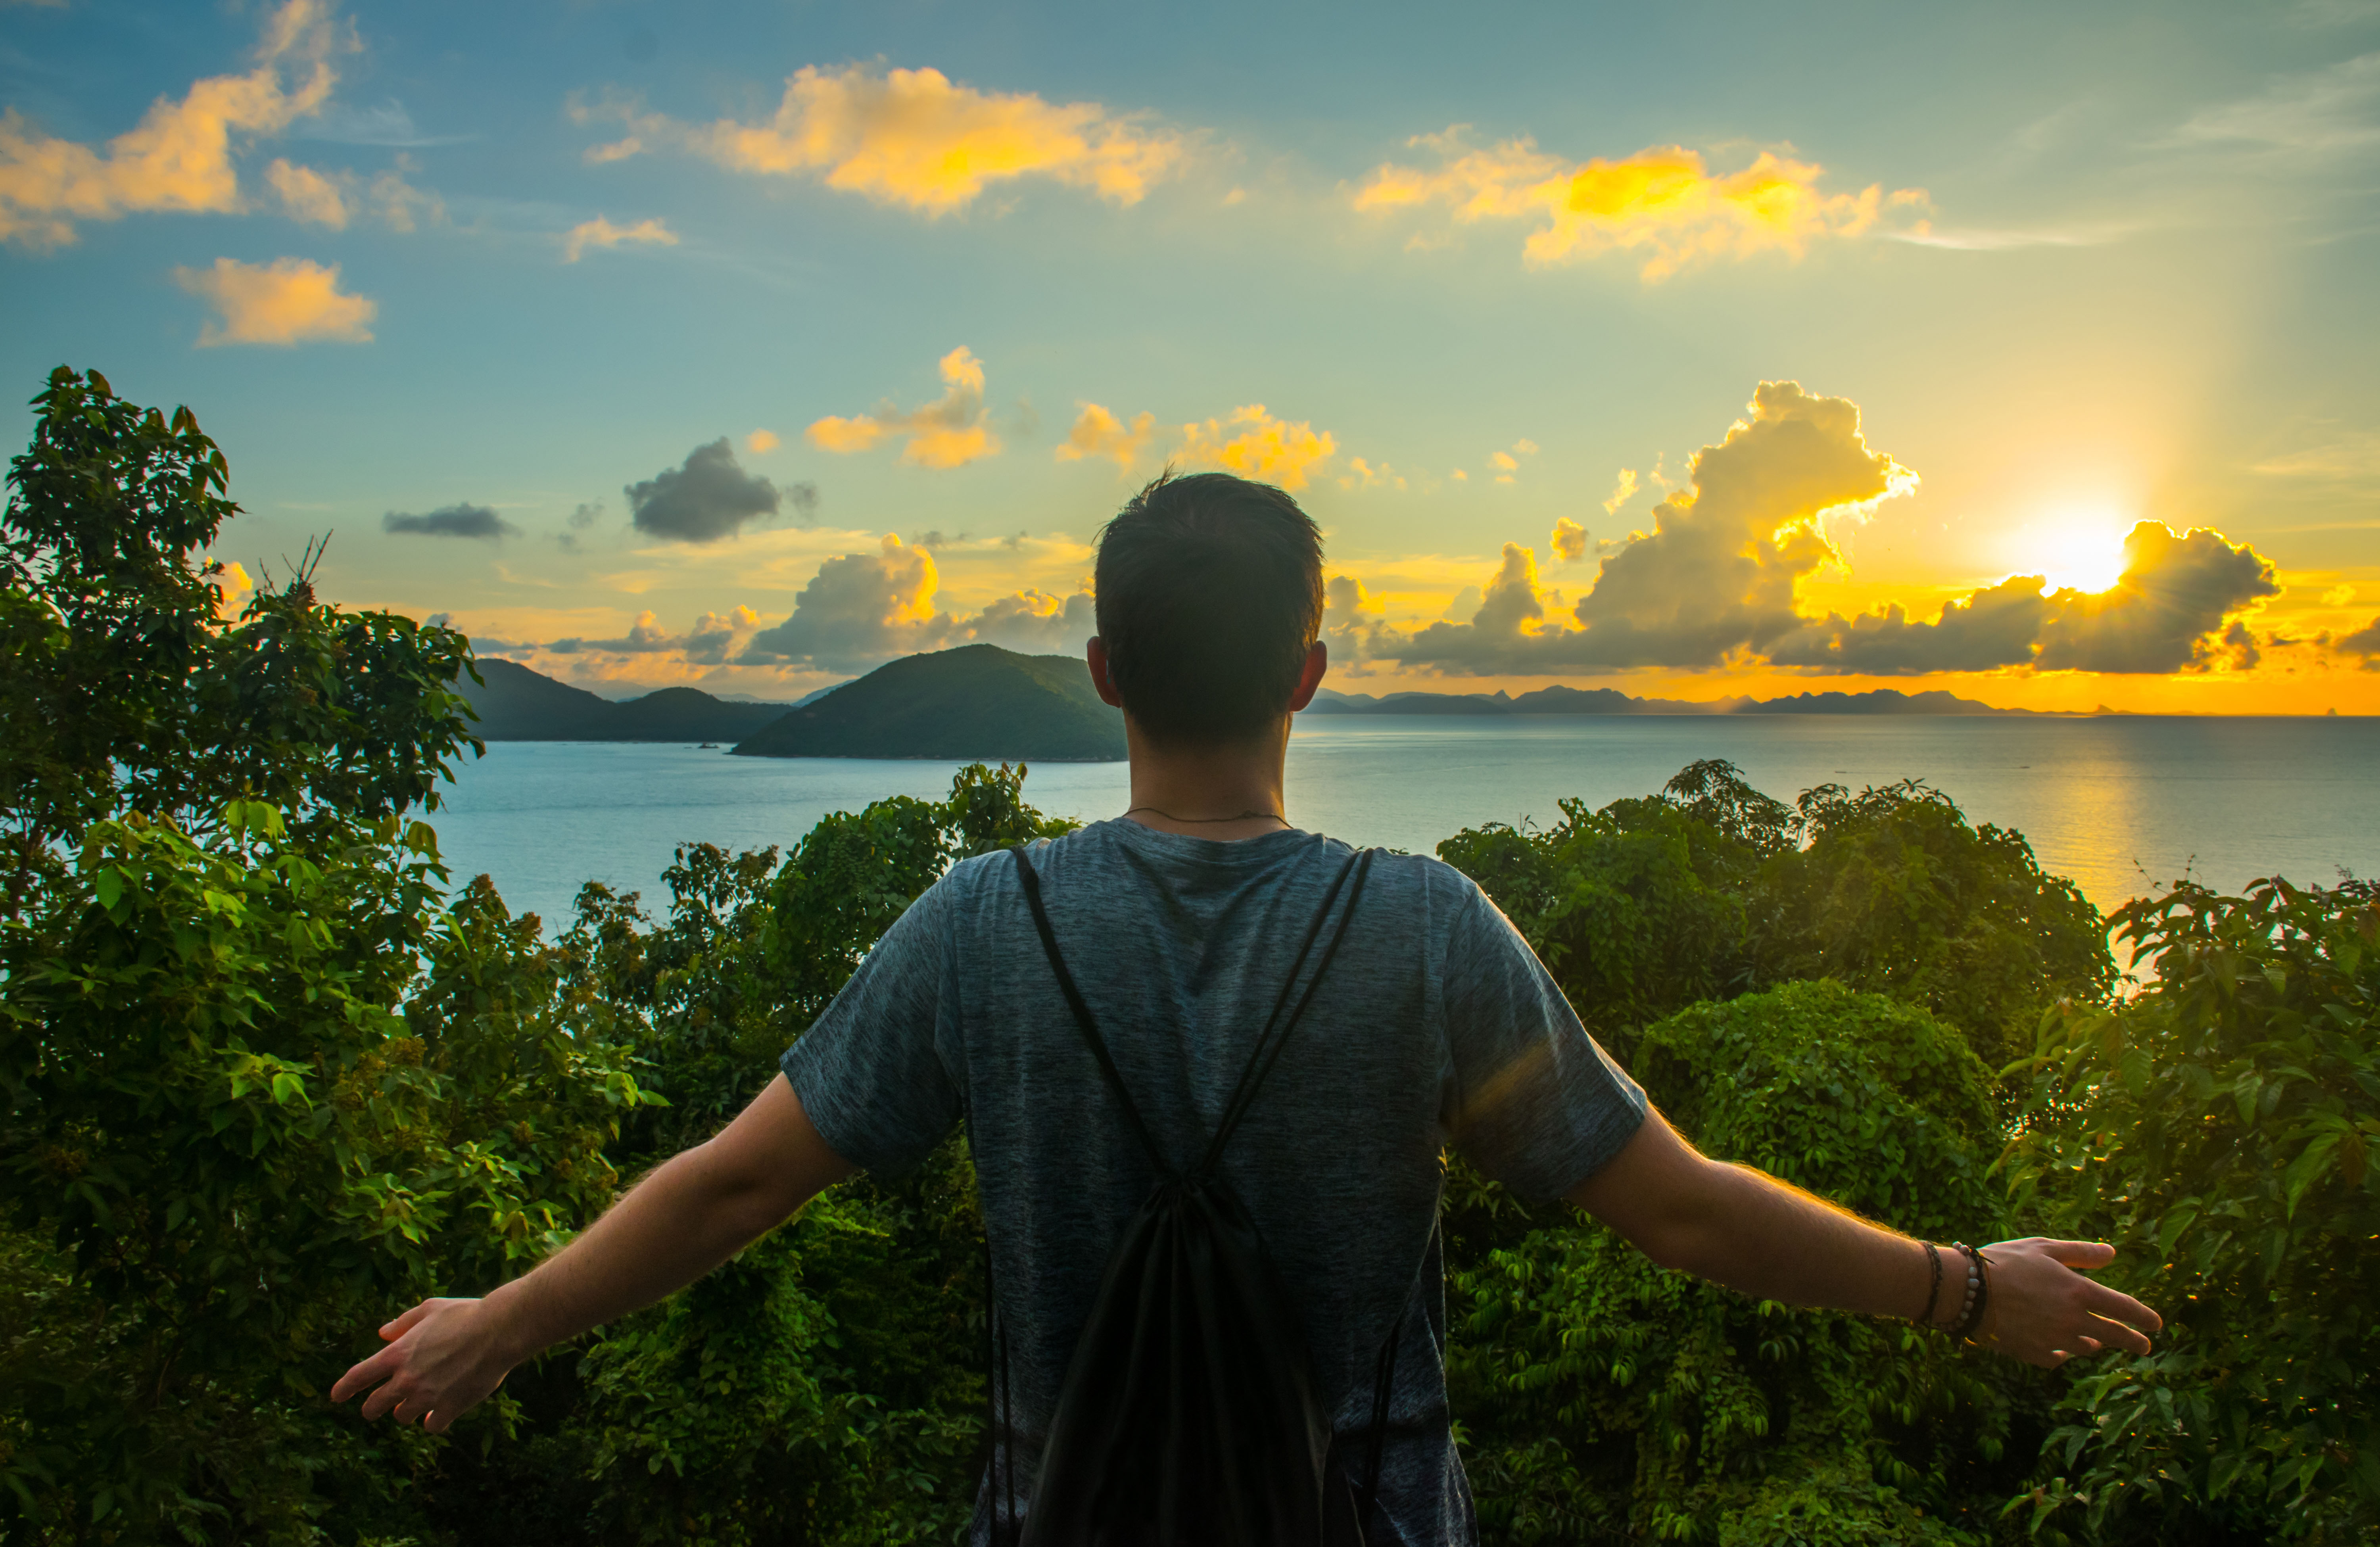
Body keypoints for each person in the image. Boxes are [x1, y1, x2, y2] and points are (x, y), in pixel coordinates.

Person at [334, 471, 2161, 1543]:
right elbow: (1671, 1204)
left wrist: (501, 1323)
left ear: (1106, 674)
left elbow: (737, 1184)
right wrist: (1963, 1285)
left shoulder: (983, 925)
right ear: (1309, 671)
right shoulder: (1425, 930)